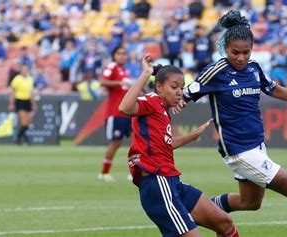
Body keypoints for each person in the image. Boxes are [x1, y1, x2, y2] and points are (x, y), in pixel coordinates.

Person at [178, 10, 287, 237]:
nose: (241, 58)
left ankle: (195, 211)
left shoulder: (254, 68)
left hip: (256, 146)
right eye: (235, 53)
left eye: (246, 52)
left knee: (249, 202)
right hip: (239, 150)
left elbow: (273, 88)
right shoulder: (216, 72)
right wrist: (173, 104)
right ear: (225, 49)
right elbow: (184, 96)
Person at [118, 54, 239, 237]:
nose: (179, 92)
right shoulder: (152, 100)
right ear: (159, 87)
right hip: (158, 183)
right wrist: (145, 74)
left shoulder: (162, 110)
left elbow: (165, 145)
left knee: (224, 222)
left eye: (182, 88)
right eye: (174, 87)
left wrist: (192, 136)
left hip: (172, 181)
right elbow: (124, 108)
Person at [97, 46, 134, 182]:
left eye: (124, 53)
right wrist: (118, 82)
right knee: (116, 143)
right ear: (114, 55)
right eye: (119, 53)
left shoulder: (124, 70)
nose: (122, 56)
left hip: (128, 113)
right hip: (115, 113)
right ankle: (104, 172)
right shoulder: (112, 67)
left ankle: (134, 171)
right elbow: (102, 82)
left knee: (136, 141)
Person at [8, 64, 36, 146]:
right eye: (23, 69)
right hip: (19, 100)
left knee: (28, 123)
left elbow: (31, 93)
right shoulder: (17, 79)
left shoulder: (30, 79)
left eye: (26, 69)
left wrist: (33, 103)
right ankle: (24, 140)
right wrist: (11, 103)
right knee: (23, 122)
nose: (25, 71)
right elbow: (13, 92)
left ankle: (18, 137)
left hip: (27, 101)